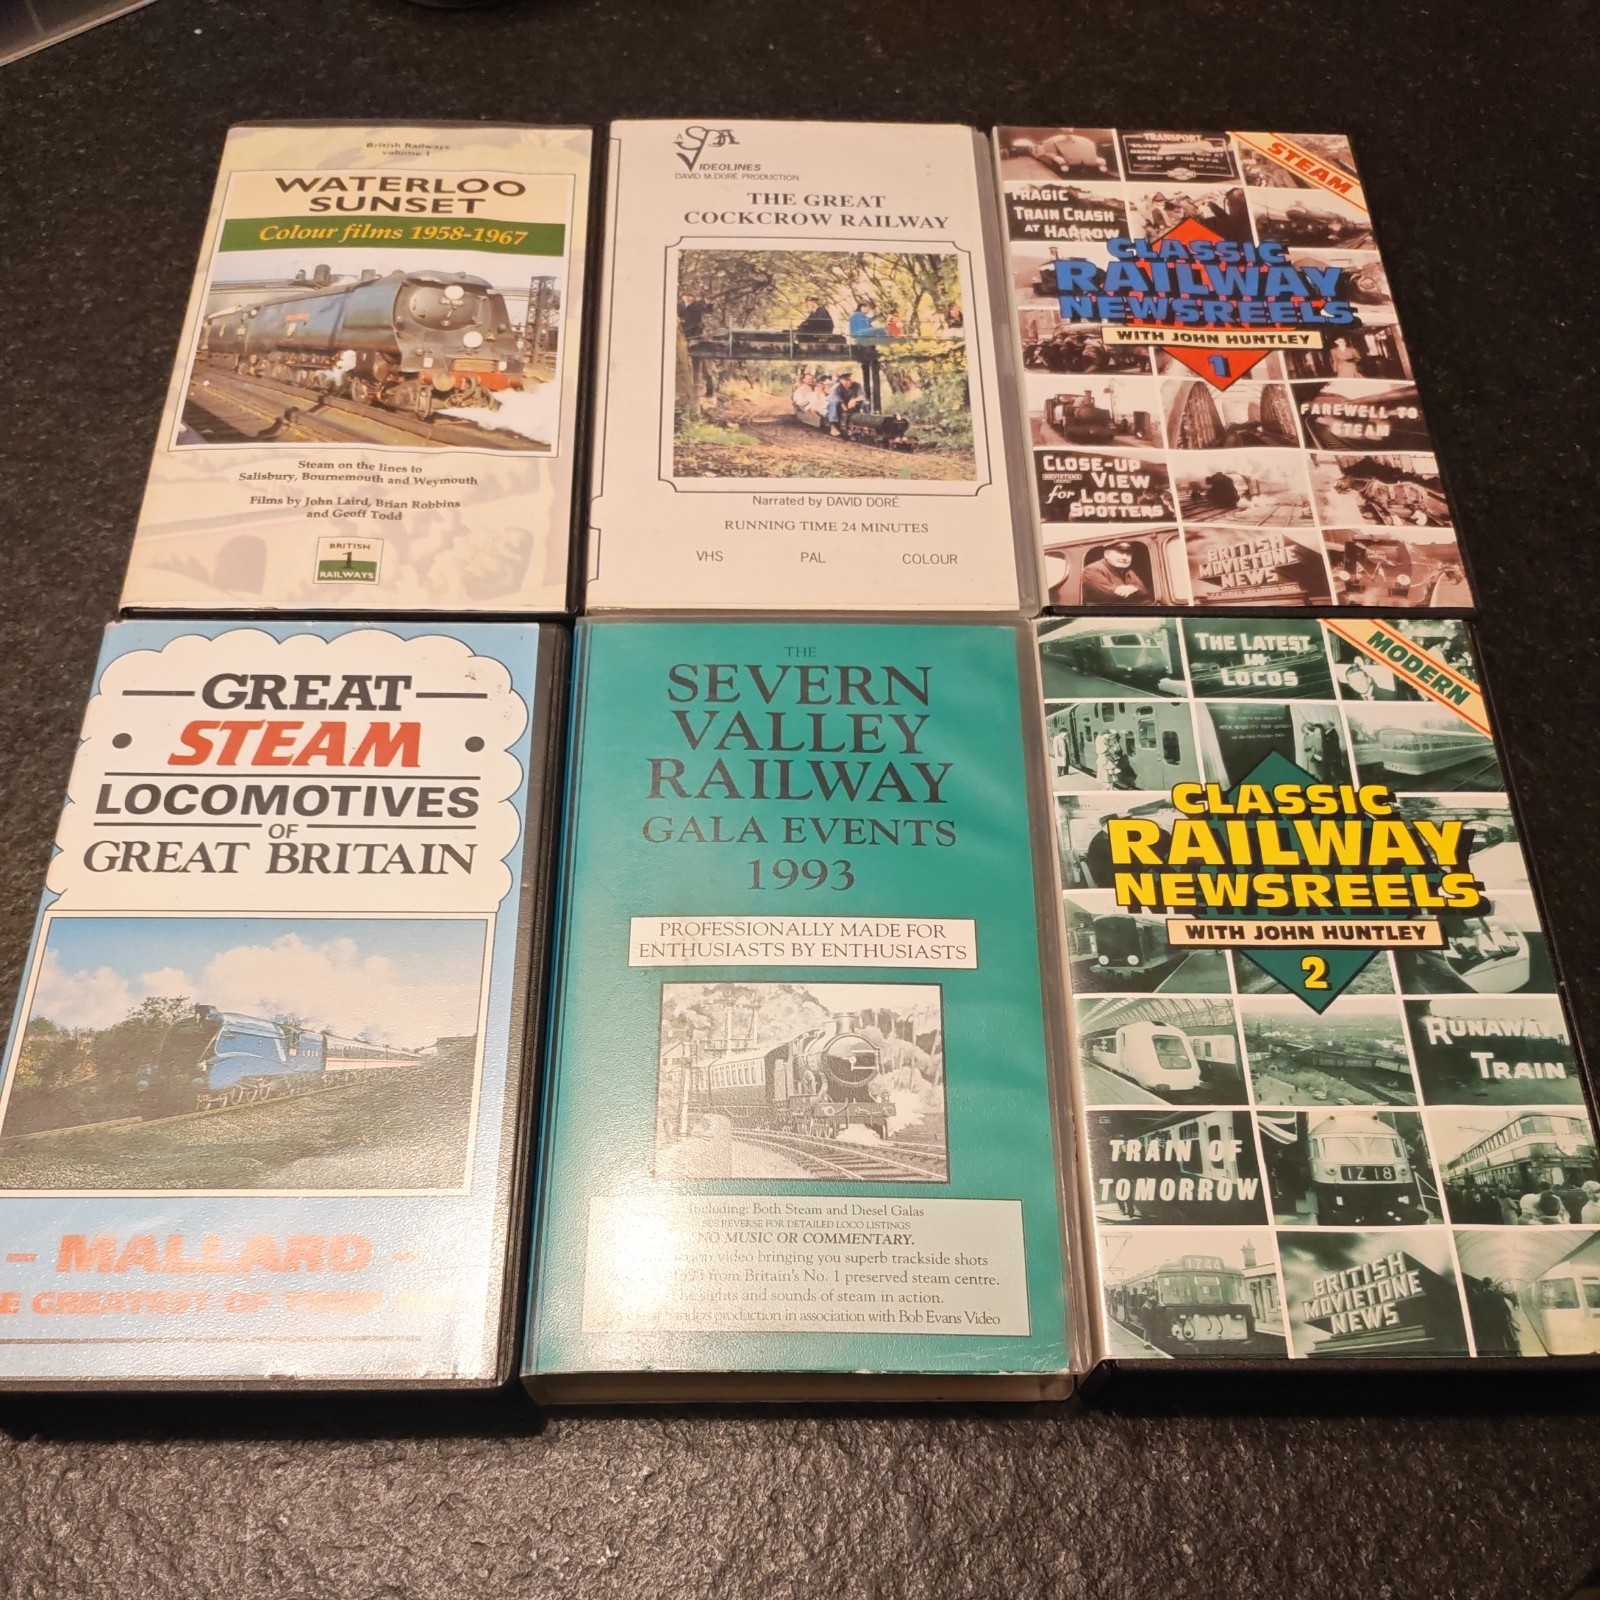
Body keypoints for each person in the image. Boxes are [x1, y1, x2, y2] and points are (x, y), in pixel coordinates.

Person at [1079, 541, 1151, 604]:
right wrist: (1133, 590)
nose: (1125, 558)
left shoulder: (1128, 572)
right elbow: (1111, 594)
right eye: (1120, 553)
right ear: (1107, 554)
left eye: (1128, 554)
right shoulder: (1092, 569)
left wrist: (1133, 588)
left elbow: (1144, 592)